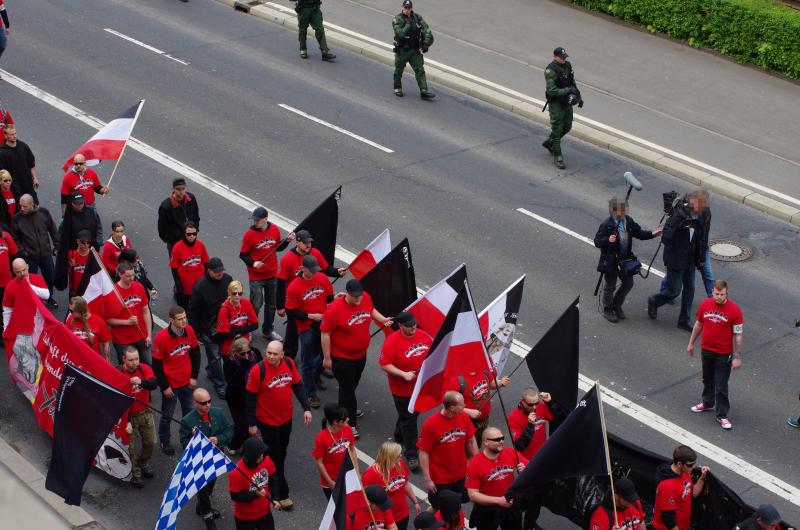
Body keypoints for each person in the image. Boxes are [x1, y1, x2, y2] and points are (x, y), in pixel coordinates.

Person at [246, 340, 312, 510]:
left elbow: (298, 386)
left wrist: (306, 408)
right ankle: (281, 493)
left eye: (275, 354)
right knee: (277, 457)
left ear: (282, 354)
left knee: (281, 452)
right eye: (269, 353)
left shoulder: (289, 364)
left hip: (286, 419)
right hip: (267, 421)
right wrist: (252, 424)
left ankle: (266, 467)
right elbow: (250, 399)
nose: (271, 356)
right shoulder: (257, 370)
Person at [321, 279, 391, 438]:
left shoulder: (365, 297)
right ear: (346, 294)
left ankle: (346, 408)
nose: (358, 299)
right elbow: (325, 333)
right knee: (347, 390)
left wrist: (382, 319)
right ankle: (349, 423)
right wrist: (327, 357)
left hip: (360, 354)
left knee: (351, 386)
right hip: (342, 357)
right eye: (354, 297)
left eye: (359, 296)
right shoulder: (334, 309)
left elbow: (371, 310)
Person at [277, 228, 345, 359]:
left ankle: (320, 363)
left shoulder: (315, 253)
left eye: (310, 242)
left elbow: (325, 269)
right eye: (306, 243)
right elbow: (280, 283)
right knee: (292, 332)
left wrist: (337, 272)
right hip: (295, 300)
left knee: (319, 334)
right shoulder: (287, 259)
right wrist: (280, 306)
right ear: (297, 243)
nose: (309, 245)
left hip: (313, 299)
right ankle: (288, 359)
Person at [687, 279, 744, 430]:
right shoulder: (705, 304)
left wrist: (737, 356)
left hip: (723, 354)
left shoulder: (735, 311)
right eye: (716, 293)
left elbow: (738, 335)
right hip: (706, 350)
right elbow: (699, 324)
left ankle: (722, 415)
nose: (719, 297)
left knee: (721, 386)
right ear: (712, 292)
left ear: (727, 293)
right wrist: (691, 343)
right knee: (707, 378)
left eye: (722, 294)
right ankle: (707, 403)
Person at [594, 197, 661, 323]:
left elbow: (639, 233)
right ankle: (608, 310)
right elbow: (597, 241)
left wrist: (653, 234)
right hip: (611, 261)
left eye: (625, 209)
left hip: (625, 260)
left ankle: (617, 305)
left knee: (628, 284)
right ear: (613, 211)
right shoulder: (607, 225)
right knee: (610, 286)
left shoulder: (628, 221)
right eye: (621, 210)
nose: (624, 212)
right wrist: (608, 240)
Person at [379, 311, 431, 470]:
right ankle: (411, 454)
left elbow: (432, 350)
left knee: (412, 414)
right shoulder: (392, 342)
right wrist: (403, 374)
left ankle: (399, 433)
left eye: (414, 324)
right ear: (400, 325)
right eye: (409, 326)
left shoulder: (423, 335)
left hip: (419, 386)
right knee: (410, 420)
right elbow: (384, 364)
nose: (413, 328)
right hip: (402, 389)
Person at [648, 193, 705, 331]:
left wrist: (700, 258)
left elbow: (699, 240)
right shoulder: (676, 217)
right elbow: (666, 239)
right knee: (674, 291)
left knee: (690, 290)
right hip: (675, 260)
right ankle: (654, 301)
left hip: (690, 261)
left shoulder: (699, 218)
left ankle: (684, 320)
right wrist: (675, 224)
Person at [179, 388, 233, 530]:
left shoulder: (218, 413)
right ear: (195, 403)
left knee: (210, 485)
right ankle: (207, 515)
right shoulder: (187, 421)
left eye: (209, 401)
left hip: (215, 457)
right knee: (202, 489)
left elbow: (229, 431)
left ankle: (201, 507)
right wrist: (192, 437)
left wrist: (219, 439)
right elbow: (184, 445)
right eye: (203, 403)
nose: (208, 405)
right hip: (199, 461)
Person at [285, 254, 334, 409]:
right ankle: (309, 393)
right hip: (306, 327)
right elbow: (291, 311)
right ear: (303, 268)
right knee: (307, 361)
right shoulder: (294, 286)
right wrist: (310, 316)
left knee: (324, 354)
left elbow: (330, 298)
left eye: (315, 269)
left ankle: (314, 376)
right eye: (311, 270)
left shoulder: (322, 278)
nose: (314, 273)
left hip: (323, 325)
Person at [417, 391, 479, 510]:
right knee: (439, 507)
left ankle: (456, 524)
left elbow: (471, 440)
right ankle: (426, 525)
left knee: (458, 502)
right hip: (441, 478)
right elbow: (423, 452)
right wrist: (428, 479)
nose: (465, 406)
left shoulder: (463, 417)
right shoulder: (430, 424)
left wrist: (475, 463)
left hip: (461, 473)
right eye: (461, 404)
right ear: (451, 408)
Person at [154, 305, 201, 456]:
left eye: (185, 317)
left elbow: (195, 354)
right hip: (171, 385)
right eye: (180, 319)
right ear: (171, 320)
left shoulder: (190, 331)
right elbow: (156, 365)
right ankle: (164, 440)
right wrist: (165, 387)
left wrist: (194, 376)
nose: (184, 321)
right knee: (167, 415)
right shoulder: (161, 337)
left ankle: (187, 439)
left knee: (189, 413)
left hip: (187, 382)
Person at [239, 207, 291, 341]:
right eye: (254, 220)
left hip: (272, 273)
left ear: (265, 219)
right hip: (256, 276)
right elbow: (243, 254)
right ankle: (248, 329)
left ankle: (268, 330)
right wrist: (253, 263)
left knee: (271, 304)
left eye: (257, 220)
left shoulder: (274, 229)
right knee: (256, 304)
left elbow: (277, 248)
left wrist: (287, 241)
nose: (255, 222)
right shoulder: (249, 234)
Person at [466, 427, 527, 530]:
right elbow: (473, 495)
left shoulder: (511, 452)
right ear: (485, 442)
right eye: (497, 439)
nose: (501, 441)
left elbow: (531, 470)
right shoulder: (474, 464)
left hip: (510, 504)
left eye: (502, 438)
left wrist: (524, 471)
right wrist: (498, 500)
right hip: (487, 509)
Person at [190, 257, 231, 398]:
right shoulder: (200, 287)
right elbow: (193, 310)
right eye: (217, 272)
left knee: (224, 353)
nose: (220, 274)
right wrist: (195, 332)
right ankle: (220, 384)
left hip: (226, 324)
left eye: (221, 271)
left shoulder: (227, 279)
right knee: (215, 356)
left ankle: (211, 371)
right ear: (209, 271)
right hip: (208, 327)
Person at [119, 346, 158, 489]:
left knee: (151, 442)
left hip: (144, 412)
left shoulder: (143, 369)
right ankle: (135, 474)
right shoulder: (118, 373)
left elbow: (154, 384)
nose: (134, 363)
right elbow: (116, 399)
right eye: (131, 360)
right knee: (130, 447)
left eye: (136, 359)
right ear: (123, 359)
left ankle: (143, 462)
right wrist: (127, 420)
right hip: (127, 415)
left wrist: (141, 382)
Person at [11, 194, 58, 306]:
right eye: (20, 206)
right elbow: (14, 238)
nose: (22, 209)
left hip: (46, 254)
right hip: (30, 257)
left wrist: (57, 245)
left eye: (25, 206)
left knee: (50, 277)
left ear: (32, 204)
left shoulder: (43, 213)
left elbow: (53, 229)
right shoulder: (17, 219)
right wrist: (23, 252)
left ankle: (49, 296)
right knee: (31, 280)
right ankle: (34, 300)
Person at [362, 441, 420, 530]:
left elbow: (406, 484)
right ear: (388, 458)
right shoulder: (370, 474)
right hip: (384, 517)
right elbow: (366, 498)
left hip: (403, 513)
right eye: (397, 456)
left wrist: (415, 502)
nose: (400, 457)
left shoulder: (400, 464)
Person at [446, 368, 510, 446]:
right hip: (468, 422)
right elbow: (449, 406)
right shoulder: (456, 380)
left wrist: (500, 383)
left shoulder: (484, 370)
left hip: (484, 419)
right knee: (469, 446)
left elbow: (491, 384)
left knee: (479, 441)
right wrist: (469, 412)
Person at [229, 437, 282, 530]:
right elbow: (235, 496)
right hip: (245, 518)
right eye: (259, 455)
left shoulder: (266, 460)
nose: (262, 457)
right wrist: (255, 495)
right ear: (251, 455)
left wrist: (275, 498)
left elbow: (273, 478)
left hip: (265, 513)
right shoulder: (236, 473)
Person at [543, 47, 582, 169]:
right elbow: (552, 91)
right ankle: (558, 156)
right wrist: (568, 90)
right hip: (556, 103)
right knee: (557, 128)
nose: (564, 59)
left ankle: (550, 142)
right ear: (555, 57)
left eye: (565, 57)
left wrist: (578, 96)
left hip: (567, 101)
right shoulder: (550, 70)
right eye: (561, 57)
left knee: (567, 126)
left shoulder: (567, 66)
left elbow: (572, 82)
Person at [653, 445, 709, 530]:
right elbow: (668, 518)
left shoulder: (685, 473)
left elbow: (693, 493)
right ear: (679, 464)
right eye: (690, 465)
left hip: (684, 526)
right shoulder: (667, 486)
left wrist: (702, 478)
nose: (693, 467)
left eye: (694, 464)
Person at [107, 262, 153, 364]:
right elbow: (107, 320)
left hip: (142, 336)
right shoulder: (112, 292)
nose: (132, 278)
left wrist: (149, 334)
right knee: (128, 369)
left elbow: (146, 312)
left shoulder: (139, 287)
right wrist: (126, 322)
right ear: (120, 274)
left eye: (133, 275)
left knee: (147, 366)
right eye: (128, 276)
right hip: (123, 341)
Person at [223, 337, 263, 453]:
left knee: (251, 424)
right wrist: (243, 367)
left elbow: (262, 368)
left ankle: (247, 448)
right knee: (241, 425)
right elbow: (232, 383)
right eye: (242, 354)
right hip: (236, 399)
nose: (246, 356)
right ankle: (233, 445)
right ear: (235, 353)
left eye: (248, 352)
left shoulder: (255, 354)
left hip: (252, 396)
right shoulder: (228, 364)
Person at [311, 403, 357, 500]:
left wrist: (356, 472)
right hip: (331, 482)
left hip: (346, 477)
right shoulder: (321, 438)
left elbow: (352, 450)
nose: (348, 419)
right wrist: (330, 482)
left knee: (350, 506)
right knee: (337, 511)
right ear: (336, 422)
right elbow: (319, 462)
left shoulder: (348, 430)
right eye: (344, 419)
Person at [392, 0, 435, 99]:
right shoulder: (397, 19)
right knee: (398, 70)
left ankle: (424, 91)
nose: (407, 10)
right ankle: (397, 88)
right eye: (405, 8)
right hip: (403, 50)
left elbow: (426, 28)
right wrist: (408, 25)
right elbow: (400, 34)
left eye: (409, 8)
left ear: (411, 8)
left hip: (414, 50)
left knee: (420, 69)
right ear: (402, 7)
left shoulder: (416, 17)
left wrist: (425, 43)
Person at [169, 221, 209, 309]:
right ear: (184, 233)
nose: (192, 236)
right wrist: (180, 289)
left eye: (194, 234)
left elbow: (206, 264)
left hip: (200, 288)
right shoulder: (177, 248)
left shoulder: (200, 245)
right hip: (186, 290)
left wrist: (206, 283)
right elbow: (174, 270)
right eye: (189, 234)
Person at [215, 280, 259, 357]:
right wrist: (245, 330)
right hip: (230, 348)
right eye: (234, 293)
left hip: (245, 346)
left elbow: (255, 325)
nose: (237, 295)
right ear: (229, 293)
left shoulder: (246, 303)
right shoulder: (224, 309)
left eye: (240, 293)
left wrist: (235, 331)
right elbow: (224, 334)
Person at [2, 258, 48, 330]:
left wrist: (30, 286)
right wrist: (6, 329)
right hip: (22, 324)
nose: (22, 274)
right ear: (14, 271)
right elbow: (7, 310)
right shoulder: (10, 286)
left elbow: (46, 295)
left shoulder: (37, 278)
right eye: (18, 272)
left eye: (24, 270)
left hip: (38, 320)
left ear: (27, 266)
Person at [157, 177, 199, 256]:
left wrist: (193, 233)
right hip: (176, 244)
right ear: (173, 189)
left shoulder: (191, 198)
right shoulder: (166, 206)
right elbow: (163, 230)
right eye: (178, 189)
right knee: (177, 267)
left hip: (191, 239)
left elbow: (196, 216)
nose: (181, 192)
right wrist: (175, 241)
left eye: (183, 189)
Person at [0, 125, 38, 203]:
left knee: (33, 207)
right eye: (12, 135)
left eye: (15, 133)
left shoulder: (23, 146)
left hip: (28, 185)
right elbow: (2, 174)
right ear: (6, 136)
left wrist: (34, 178)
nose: (14, 136)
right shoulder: (2, 152)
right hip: (14, 189)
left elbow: (31, 163)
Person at [66, 296, 111, 361]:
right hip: (74, 360)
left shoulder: (99, 322)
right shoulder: (70, 320)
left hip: (92, 361)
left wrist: (107, 361)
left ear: (80, 311)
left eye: (71, 311)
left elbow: (106, 345)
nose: (70, 313)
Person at [0, 225, 17, 333]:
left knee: (8, 308)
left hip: (7, 282)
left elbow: (14, 255)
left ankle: (9, 329)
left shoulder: (6, 237)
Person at [67, 230, 92, 298]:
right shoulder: (71, 254)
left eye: (88, 242)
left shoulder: (94, 255)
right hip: (75, 291)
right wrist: (69, 265)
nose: (86, 245)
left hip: (89, 290)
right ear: (78, 241)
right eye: (83, 242)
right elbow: (63, 272)